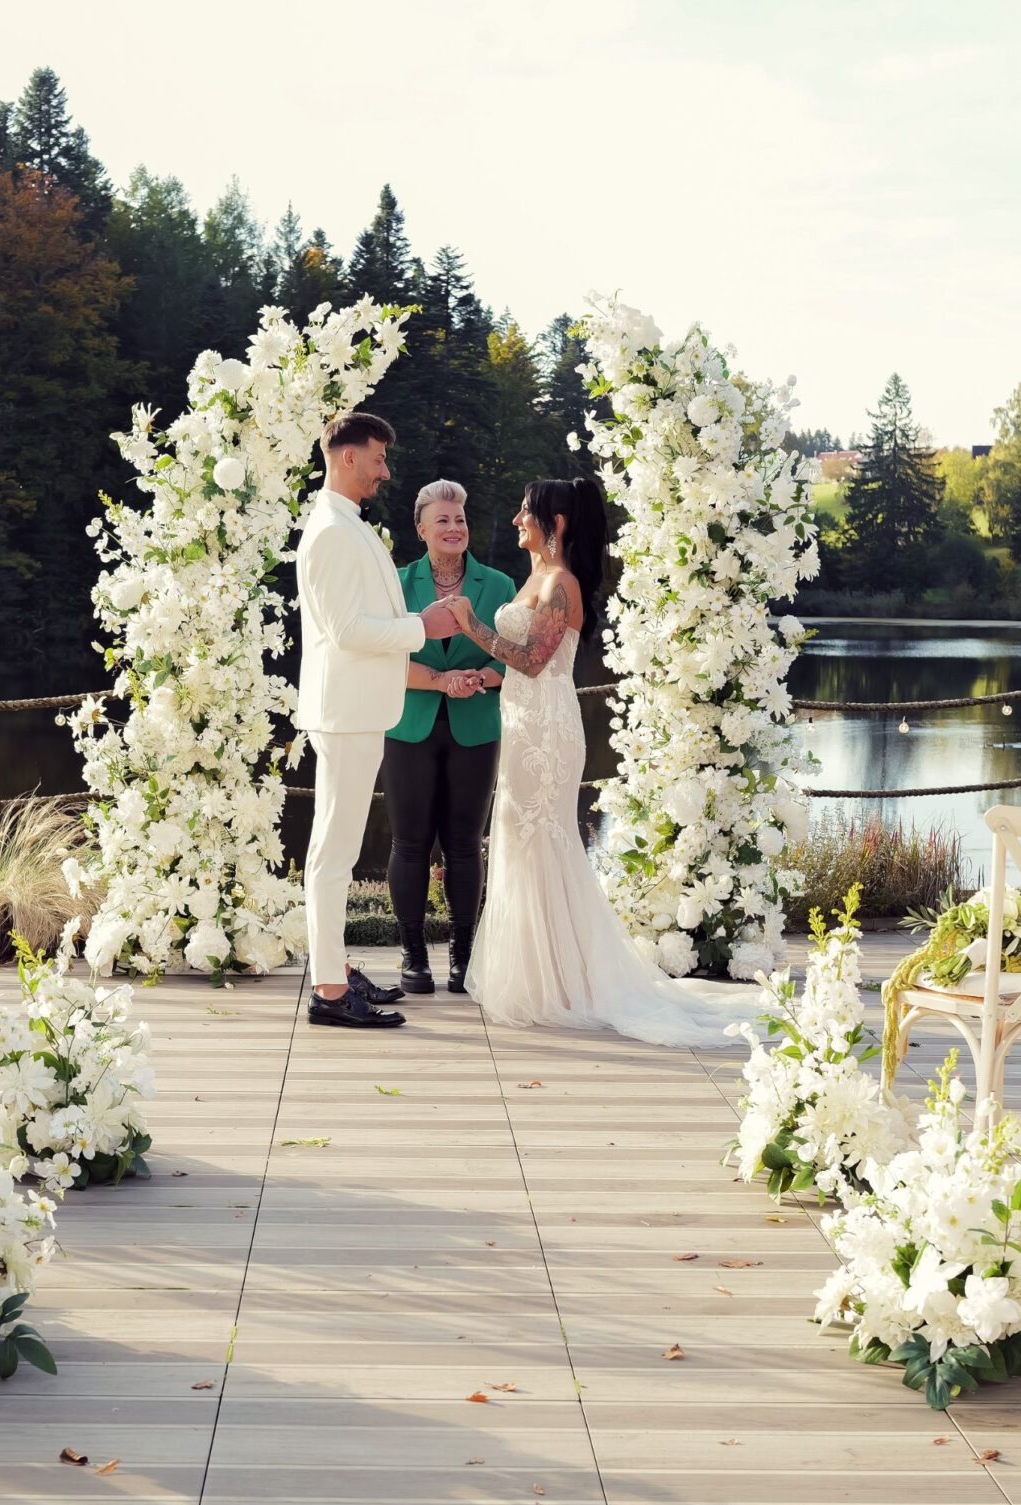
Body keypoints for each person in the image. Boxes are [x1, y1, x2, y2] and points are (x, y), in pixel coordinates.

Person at [446, 476, 750, 1047]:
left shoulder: (562, 583)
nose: (516, 520)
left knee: (541, 840)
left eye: (525, 511)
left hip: (546, 729)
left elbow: (533, 660)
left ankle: (565, 983)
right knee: (517, 839)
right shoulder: (539, 576)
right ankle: (543, 975)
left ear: (555, 524)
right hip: (522, 725)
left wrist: (471, 625)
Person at [294, 411, 460, 1030]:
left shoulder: (345, 524)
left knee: (335, 849)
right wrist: (426, 627)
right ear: (345, 457)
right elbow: (346, 631)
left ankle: (332, 969)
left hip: (358, 708)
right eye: (378, 459)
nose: (385, 471)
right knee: (333, 854)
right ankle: (331, 994)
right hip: (346, 712)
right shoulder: (333, 532)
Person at [385, 480, 513, 996]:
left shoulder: (500, 585)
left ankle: (465, 954)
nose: (454, 528)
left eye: (459, 519)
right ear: (421, 529)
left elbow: (510, 655)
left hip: (476, 723)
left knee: (464, 843)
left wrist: (475, 679)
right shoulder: (395, 585)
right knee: (410, 842)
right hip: (408, 722)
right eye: (442, 520)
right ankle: (413, 954)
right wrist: (439, 681)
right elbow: (385, 657)